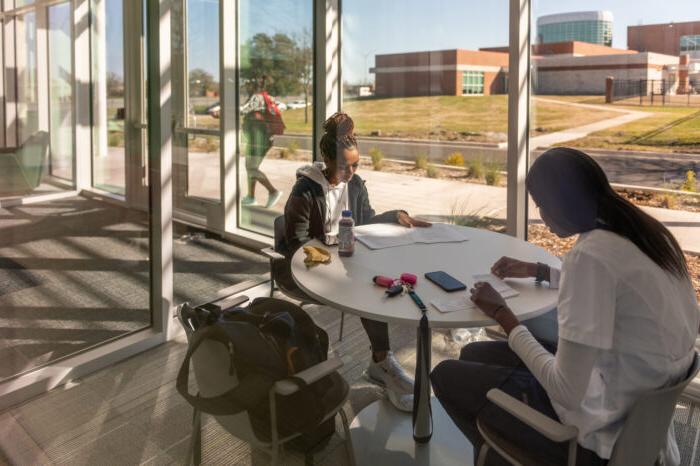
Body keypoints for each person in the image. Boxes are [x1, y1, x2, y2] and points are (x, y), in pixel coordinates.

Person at [431, 147, 699, 466]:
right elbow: (620, 289)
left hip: (595, 436)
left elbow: (565, 391)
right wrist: (541, 271)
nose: (542, 214)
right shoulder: (646, 234)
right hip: (633, 412)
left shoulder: (590, 257)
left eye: (542, 205)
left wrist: (503, 315)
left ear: (562, 204)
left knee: (446, 374)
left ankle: (504, 455)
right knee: (473, 354)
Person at [279, 112, 431, 412]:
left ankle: (380, 361)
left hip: (344, 264)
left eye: (356, 164)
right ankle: (382, 362)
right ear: (328, 161)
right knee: (366, 288)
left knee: (375, 284)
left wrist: (393, 216)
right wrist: (329, 253)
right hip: (307, 269)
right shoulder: (305, 190)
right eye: (344, 166)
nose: (351, 172)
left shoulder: (356, 183)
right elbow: (296, 244)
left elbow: (365, 222)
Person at [240, 75, 284, 208]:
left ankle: (273, 192)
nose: (246, 86)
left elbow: (243, 110)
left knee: (251, 168)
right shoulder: (267, 97)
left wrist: (221, 111)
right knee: (251, 167)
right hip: (263, 138)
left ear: (254, 85)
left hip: (258, 139)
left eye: (248, 83)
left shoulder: (257, 97)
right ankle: (251, 197)